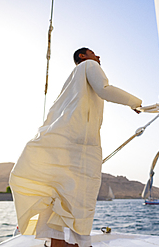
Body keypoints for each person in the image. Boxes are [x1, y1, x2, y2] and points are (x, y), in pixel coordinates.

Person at [9, 47, 142, 247]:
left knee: (60, 196)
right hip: (80, 145)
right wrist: (135, 103)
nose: (98, 56)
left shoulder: (71, 80)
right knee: (78, 197)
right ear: (83, 56)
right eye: (93, 52)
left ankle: (62, 242)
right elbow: (103, 89)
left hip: (63, 141)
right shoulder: (90, 65)